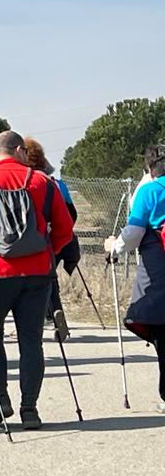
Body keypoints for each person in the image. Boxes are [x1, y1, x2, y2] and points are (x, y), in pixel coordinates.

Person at [0, 131, 74, 430]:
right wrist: (50, 252)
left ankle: (0, 399)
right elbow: (64, 228)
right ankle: (30, 409)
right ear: (19, 150)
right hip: (36, 273)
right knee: (31, 341)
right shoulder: (43, 183)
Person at [105, 145, 165, 413]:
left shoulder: (150, 191)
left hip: (159, 272)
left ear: (150, 169)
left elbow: (134, 231)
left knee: (160, 328)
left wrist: (113, 248)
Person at [23, 137, 77, 341]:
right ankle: (55, 313)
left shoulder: (25, 181)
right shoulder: (57, 183)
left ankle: (43, 316)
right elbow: (72, 214)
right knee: (49, 277)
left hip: (32, 240)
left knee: (34, 282)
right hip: (59, 237)